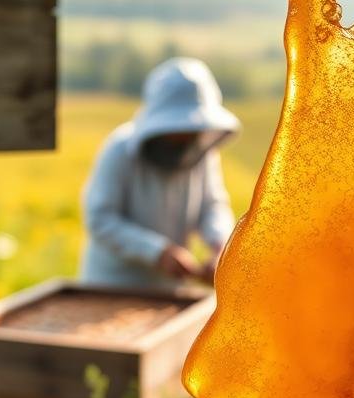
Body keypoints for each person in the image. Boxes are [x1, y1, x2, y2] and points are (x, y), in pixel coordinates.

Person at [79, 58, 240, 289]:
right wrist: (157, 251)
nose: (183, 138)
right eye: (177, 130)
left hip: (168, 290)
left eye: (191, 130)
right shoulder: (119, 150)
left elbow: (212, 206)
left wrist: (220, 246)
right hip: (111, 287)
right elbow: (100, 218)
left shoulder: (203, 153)